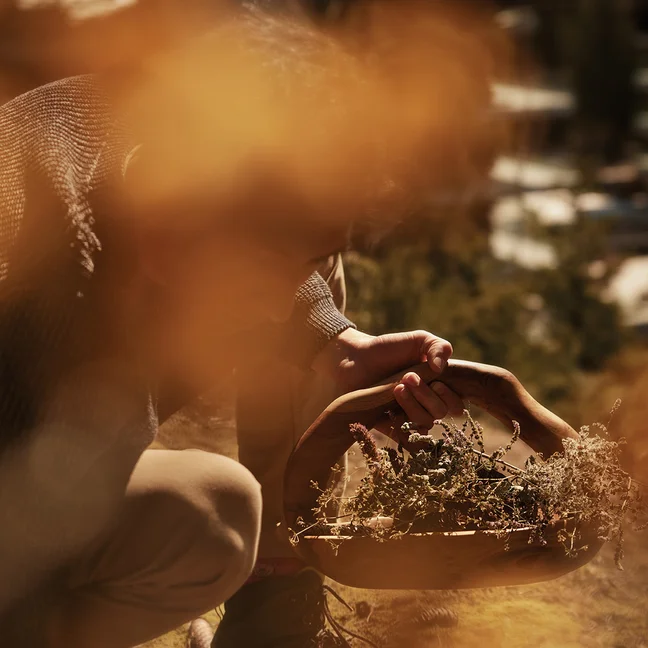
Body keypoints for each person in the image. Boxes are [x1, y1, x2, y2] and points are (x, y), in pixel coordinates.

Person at [0, 7, 464, 648]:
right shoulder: (33, 288)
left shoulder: (142, 138)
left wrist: (336, 344)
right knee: (208, 521)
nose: (283, 304)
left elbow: (280, 248)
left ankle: (273, 608)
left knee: (309, 285)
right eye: (267, 266)